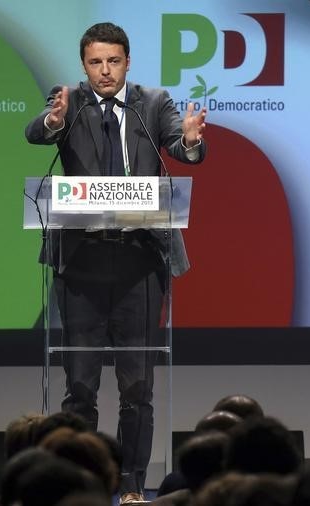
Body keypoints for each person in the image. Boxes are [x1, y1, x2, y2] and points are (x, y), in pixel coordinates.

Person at [25, 21, 207, 503]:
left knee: (137, 388)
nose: (105, 71)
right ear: (84, 65)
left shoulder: (154, 103)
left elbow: (181, 146)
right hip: (82, 265)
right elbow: (37, 133)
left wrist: (188, 141)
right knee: (80, 388)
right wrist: (52, 122)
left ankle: (131, 488)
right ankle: (81, 486)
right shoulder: (71, 100)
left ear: (128, 62)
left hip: (139, 265)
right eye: (95, 63)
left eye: (113, 61)